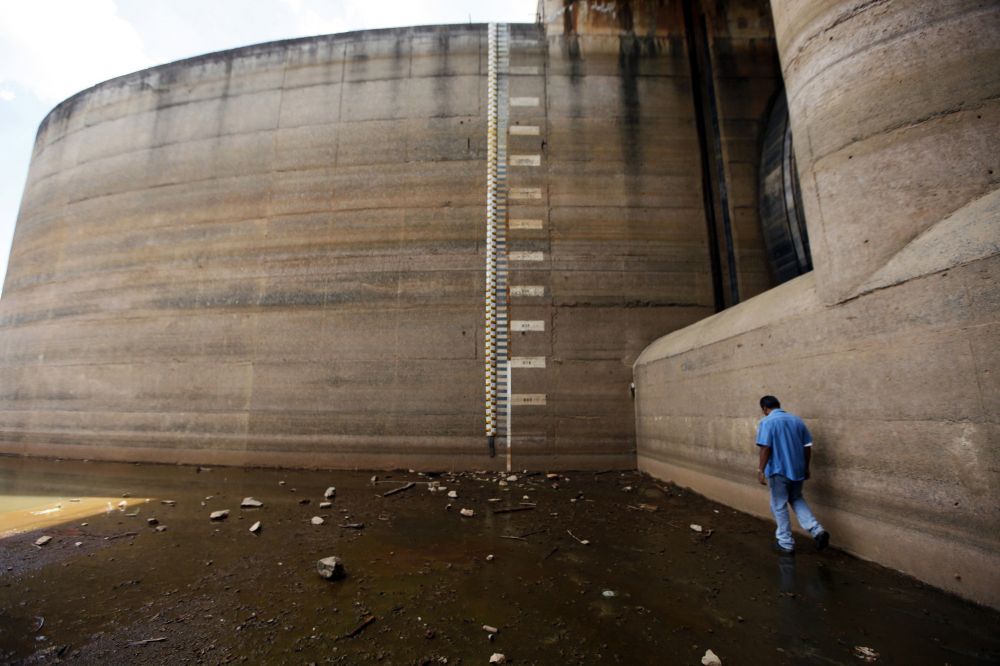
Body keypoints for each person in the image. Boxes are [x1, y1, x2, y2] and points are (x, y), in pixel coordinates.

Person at [756, 395, 829, 554]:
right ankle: (817, 531)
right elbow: (807, 446)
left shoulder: (767, 422)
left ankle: (785, 542)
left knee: (779, 504)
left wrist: (761, 470)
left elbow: (765, 448)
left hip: (778, 470)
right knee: (795, 497)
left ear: (764, 409)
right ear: (779, 405)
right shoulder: (796, 420)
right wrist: (806, 467)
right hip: (797, 470)